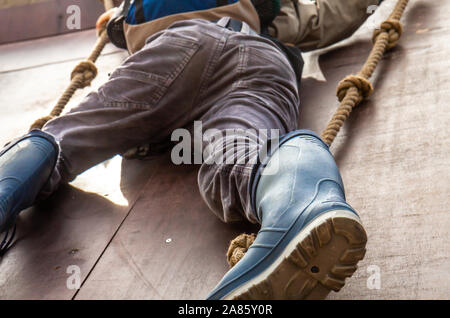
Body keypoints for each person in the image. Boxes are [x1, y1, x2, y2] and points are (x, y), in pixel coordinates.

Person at [0, 0, 381, 299]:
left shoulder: (134, 13)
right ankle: (305, 204)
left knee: (66, 137)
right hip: (262, 57)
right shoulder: (263, 4)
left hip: (176, 46)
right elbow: (326, 18)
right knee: (241, 153)